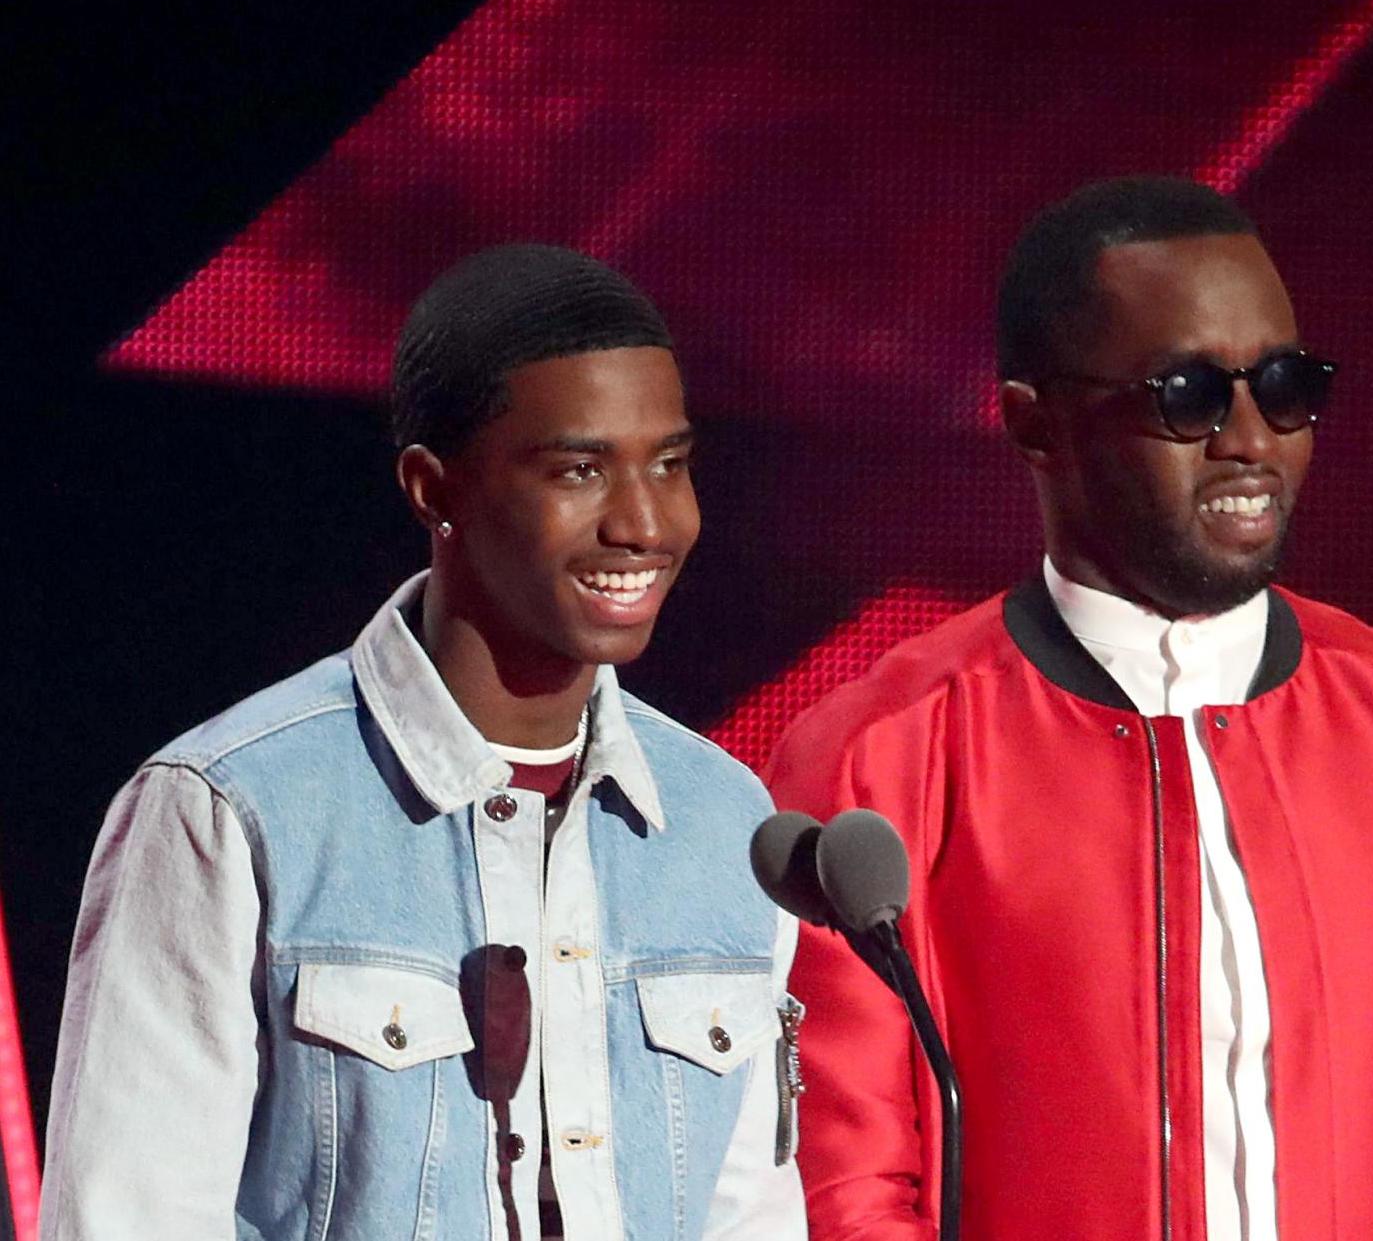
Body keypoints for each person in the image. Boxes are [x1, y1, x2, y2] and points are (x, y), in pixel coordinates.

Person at [766, 177, 1373, 1240]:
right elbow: (838, 1193)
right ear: (1034, 425)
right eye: (1186, 395)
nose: (1248, 438)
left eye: (1282, 385)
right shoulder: (875, 759)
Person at [39, 244, 807, 1240]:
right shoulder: (226, 807)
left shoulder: (726, 821)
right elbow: (128, 1219)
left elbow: (749, 1215)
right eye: (579, 469)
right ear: (430, 489)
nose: (644, 522)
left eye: (669, 464)